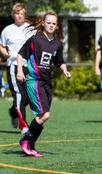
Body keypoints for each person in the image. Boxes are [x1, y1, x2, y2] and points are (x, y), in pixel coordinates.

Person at [17, 11, 71, 157]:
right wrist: (20, 71)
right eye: (49, 22)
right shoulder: (35, 39)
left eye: (54, 23)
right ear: (43, 23)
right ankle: (25, 140)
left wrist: (65, 70)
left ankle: (31, 145)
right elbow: (21, 54)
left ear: (57, 25)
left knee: (42, 116)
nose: (51, 25)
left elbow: (60, 61)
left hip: (47, 83)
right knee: (45, 115)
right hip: (34, 81)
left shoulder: (57, 44)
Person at [0, 3, 35, 133]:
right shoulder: (7, 30)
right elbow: (1, 45)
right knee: (19, 95)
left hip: (29, 66)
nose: (19, 15)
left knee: (28, 97)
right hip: (14, 66)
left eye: (21, 13)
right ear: (13, 15)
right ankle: (23, 125)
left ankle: (13, 112)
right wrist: (3, 52)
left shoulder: (31, 29)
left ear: (25, 15)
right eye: (17, 13)